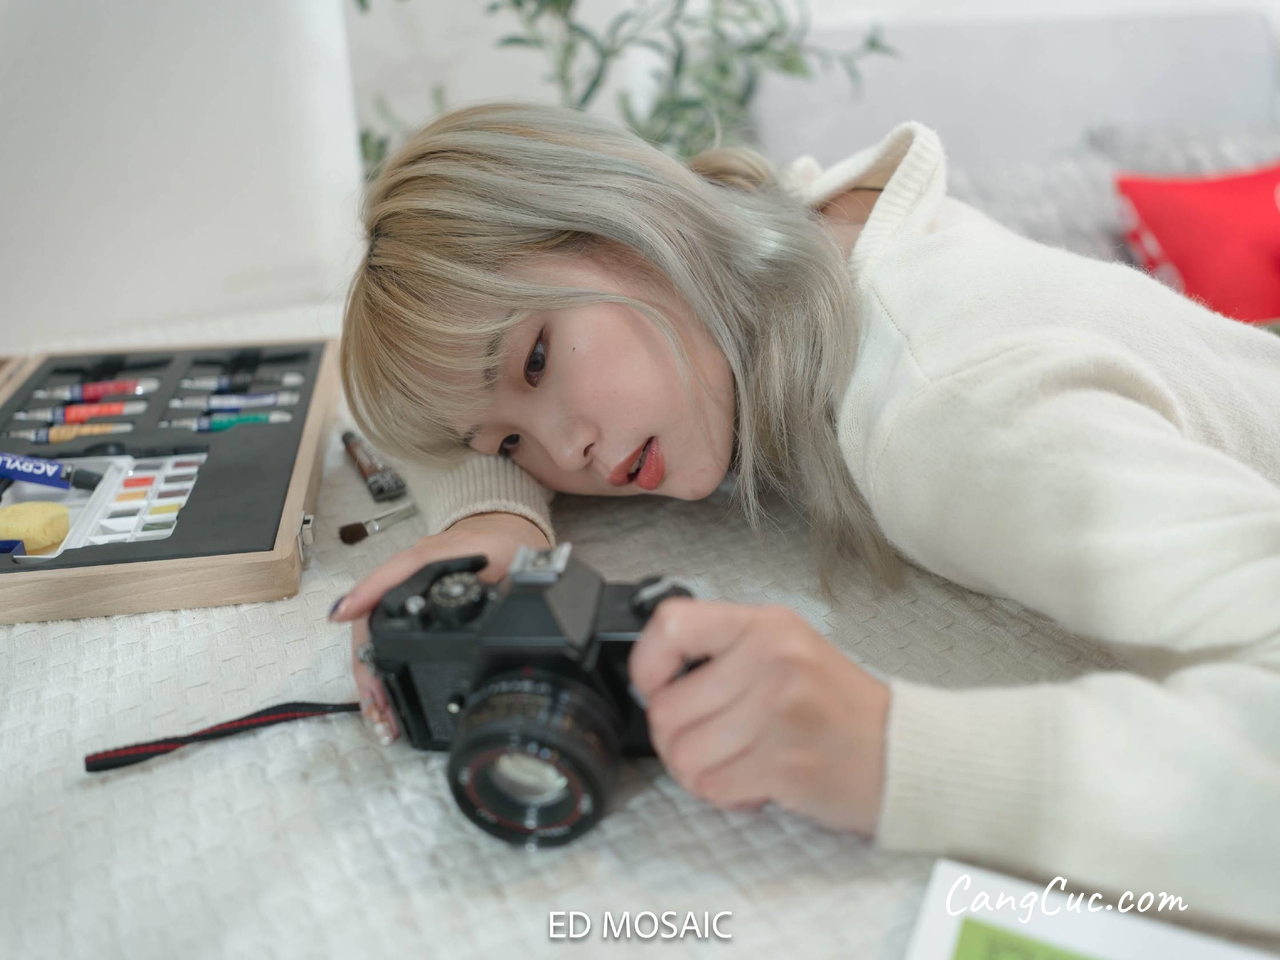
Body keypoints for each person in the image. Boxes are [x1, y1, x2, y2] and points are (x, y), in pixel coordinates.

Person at [330, 101, 1280, 937]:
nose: (565, 451)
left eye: (537, 361)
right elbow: (415, 423)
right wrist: (493, 516)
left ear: (630, 223)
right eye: (510, 442)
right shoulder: (778, 233)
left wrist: (888, 750)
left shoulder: (950, 411)